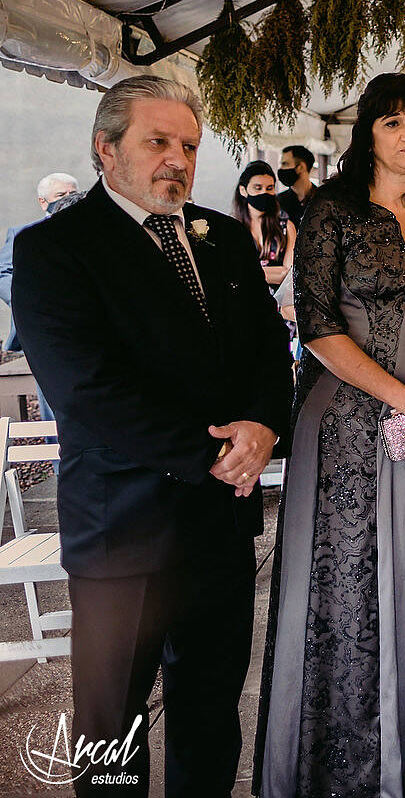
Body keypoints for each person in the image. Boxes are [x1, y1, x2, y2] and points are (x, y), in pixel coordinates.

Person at [11, 75, 293, 796]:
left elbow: (268, 349)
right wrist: (215, 454)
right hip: (123, 532)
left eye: (189, 146)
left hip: (220, 528)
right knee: (112, 728)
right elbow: (86, 389)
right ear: (106, 149)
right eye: (157, 142)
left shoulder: (222, 238)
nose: (178, 159)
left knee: (210, 716)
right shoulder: (54, 249)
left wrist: (265, 426)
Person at [254, 74, 405, 798]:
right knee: (350, 584)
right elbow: (317, 324)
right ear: (368, 134)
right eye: (394, 122)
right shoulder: (332, 210)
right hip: (348, 428)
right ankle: (346, 768)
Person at [1, 171, 82, 413]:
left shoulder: (91, 230)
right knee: (51, 393)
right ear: (43, 202)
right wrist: (28, 299)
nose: (67, 198)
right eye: (60, 194)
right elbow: (4, 272)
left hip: (84, 324)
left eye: (72, 193)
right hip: (43, 327)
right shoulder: (24, 233)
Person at [231, 159, 296, 290]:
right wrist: (275, 273)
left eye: (269, 188)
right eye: (258, 188)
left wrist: (249, 273)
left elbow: (289, 273)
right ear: (243, 190)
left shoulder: (286, 226)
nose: (264, 193)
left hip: (279, 299)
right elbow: (232, 273)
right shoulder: (232, 228)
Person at [276, 145, 316, 222]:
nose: (281, 169)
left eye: (285, 164)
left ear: (300, 167)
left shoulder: (322, 199)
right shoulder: (277, 202)